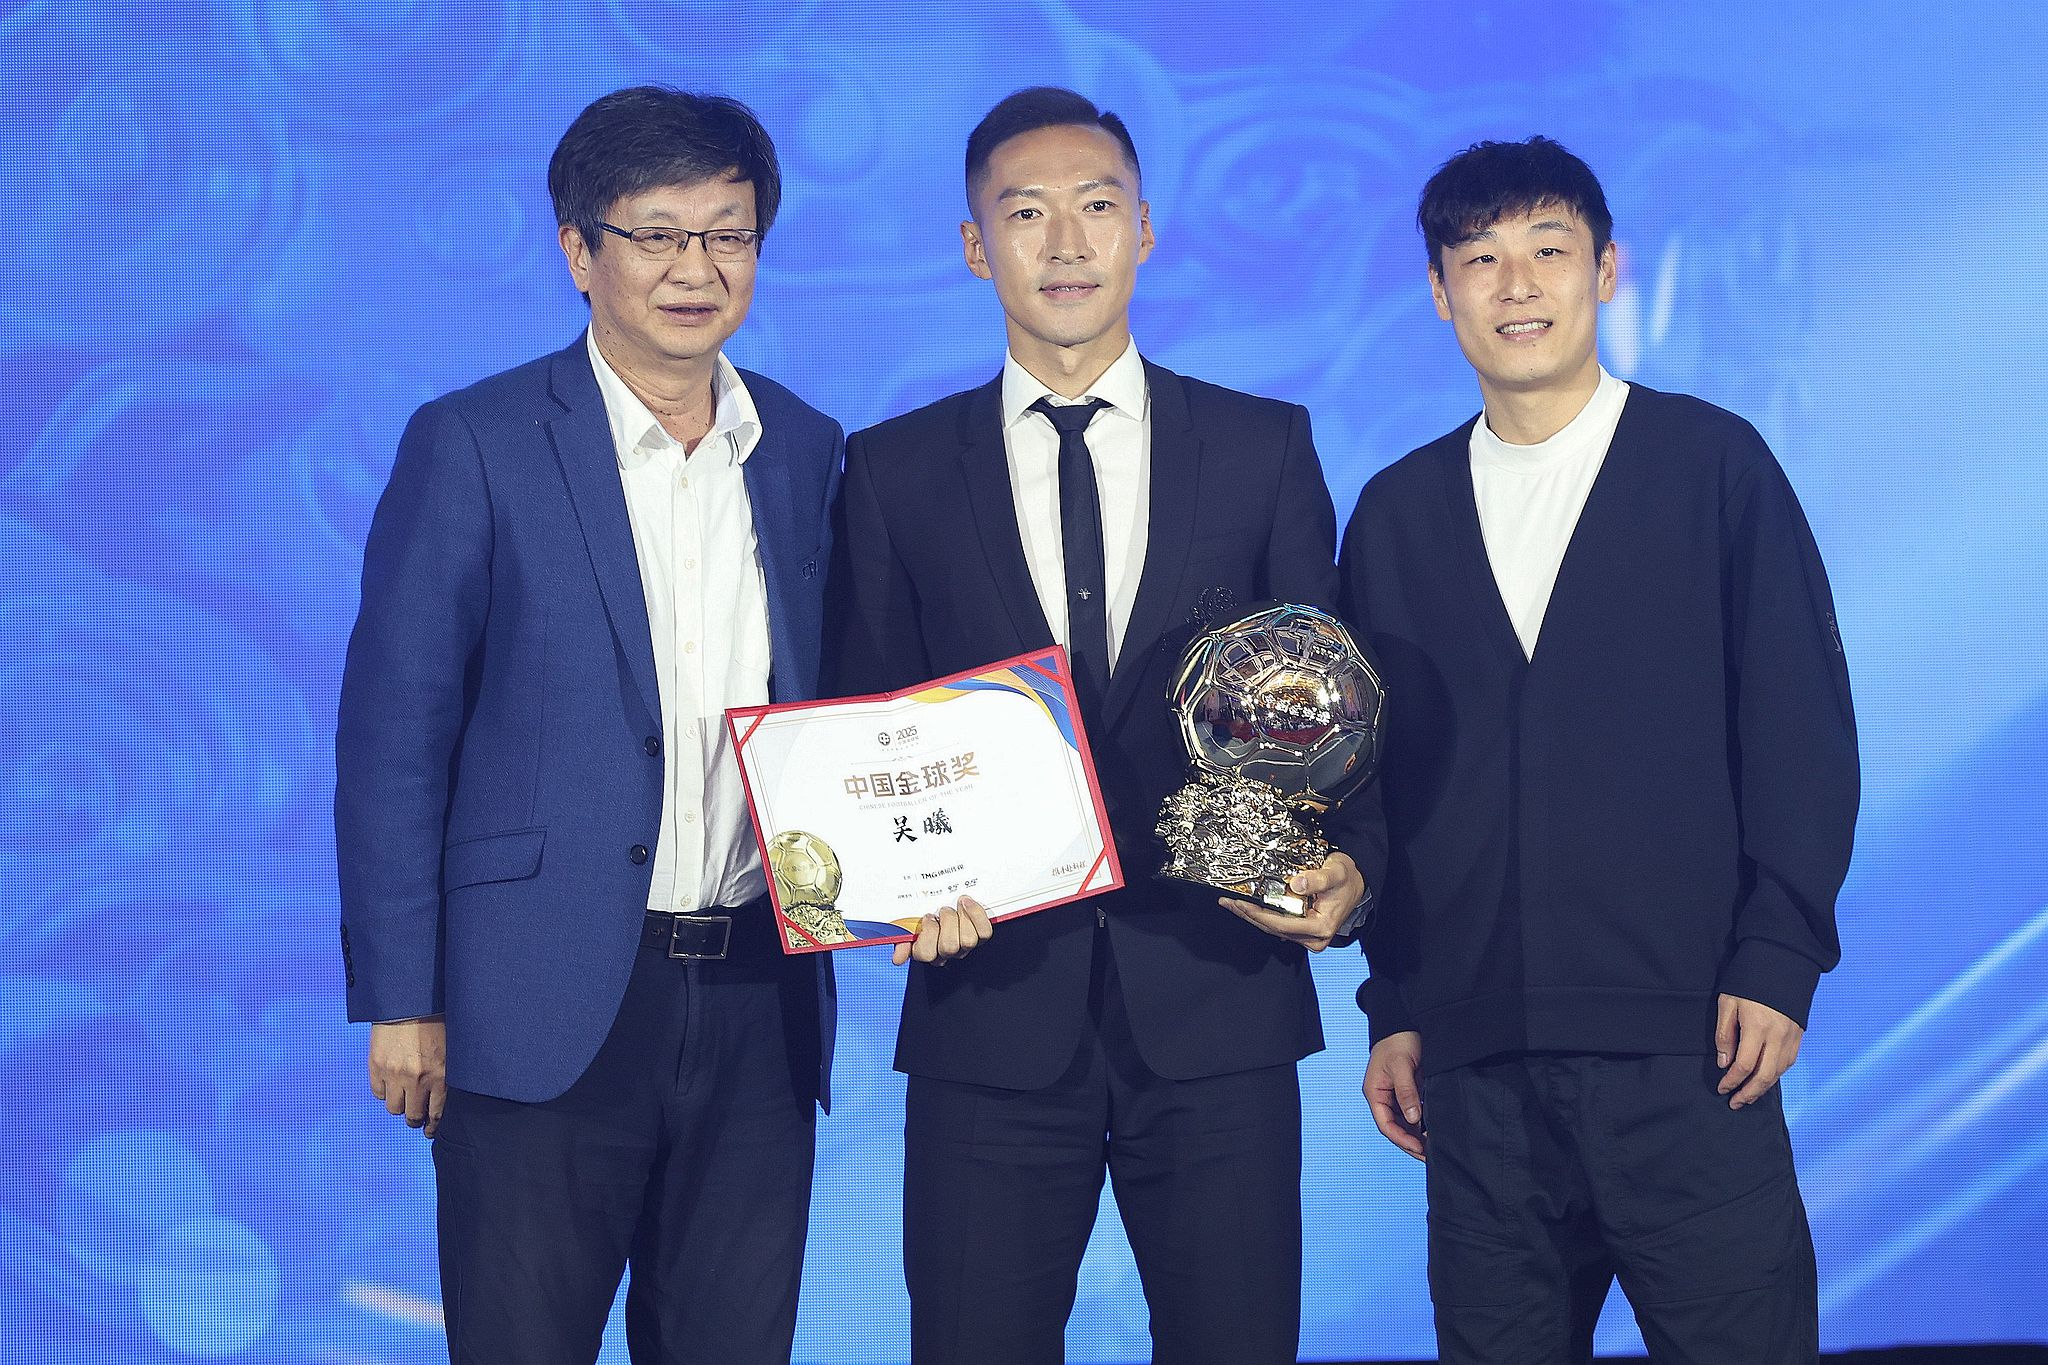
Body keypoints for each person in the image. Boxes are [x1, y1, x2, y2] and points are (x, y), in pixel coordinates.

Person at [832, 86, 1368, 1365]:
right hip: (987, 1011)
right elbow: (863, 725)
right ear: (975, 245)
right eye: (1026, 214)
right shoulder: (894, 469)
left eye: (1095, 206)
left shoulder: (1259, 447)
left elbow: (1331, 711)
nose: (1065, 243)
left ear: (1144, 230)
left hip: (1219, 997)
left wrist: (1354, 869)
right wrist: (891, 892)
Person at [335, 86, 842, 1365]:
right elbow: (395, 734)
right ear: (578, 250)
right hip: (534, 1000)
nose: (695, 269)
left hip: (760, 995)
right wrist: (402, 999)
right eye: (656, 235)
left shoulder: (804, 448)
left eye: (727, 234)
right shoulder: (476, 441)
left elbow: (843, 703)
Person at [1340, 136, 1858, 1364]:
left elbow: (1799, 726)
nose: (1515, 285)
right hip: (1473, 1071)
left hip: (1688, 1050)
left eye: (1548, 249)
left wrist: (1776, 955)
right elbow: (1379, 781)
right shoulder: (1396, 513)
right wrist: (1394, 1006)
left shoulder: (1709, 464)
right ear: (1438, 291)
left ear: (1606, 270)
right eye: (1479, 259)